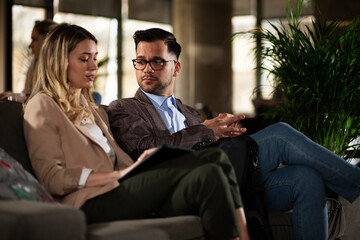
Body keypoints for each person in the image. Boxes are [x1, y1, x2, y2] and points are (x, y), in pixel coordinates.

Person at [107, 28, 360, 240]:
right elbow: (146, 148)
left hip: (228, 180)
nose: (147, 68)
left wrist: (224, 132)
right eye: (141, 61)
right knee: (280, 135)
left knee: (307, 178)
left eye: (157, 61)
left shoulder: (190, 113)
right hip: (188, 186)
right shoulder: (124, 108)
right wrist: (207, 130)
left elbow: (209, 145)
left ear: (176, 68)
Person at [23, 23, 250, 240]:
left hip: (122, 189)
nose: (93, 67)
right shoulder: (42, 105)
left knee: (210, 172)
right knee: (214, 157)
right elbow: (51, 177)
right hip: (91, 200)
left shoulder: (92, 109)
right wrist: (118, 176)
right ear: (59, 62)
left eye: (94, 58)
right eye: (84, 59)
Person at [0, 19, 57, 101]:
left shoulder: (57, 70)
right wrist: (12, 96)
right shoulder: (35, 63)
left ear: (48, 41)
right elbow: (30, 95)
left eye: (35, 40)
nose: (30, 45)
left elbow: (42, 99)